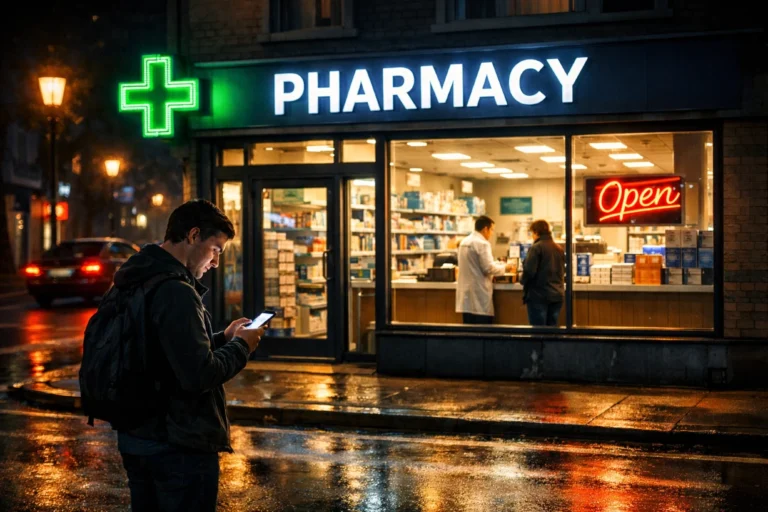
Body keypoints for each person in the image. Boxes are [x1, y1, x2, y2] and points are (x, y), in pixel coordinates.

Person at [113, 199, 264, 512]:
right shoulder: (177, 291)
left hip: (136, 436)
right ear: (193, 236)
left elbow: (163, 352)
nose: (216, 262)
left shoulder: (135, 278)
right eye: (216, 250)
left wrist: (223, 338)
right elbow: (199, 375)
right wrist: (242, 346)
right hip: (178, 444)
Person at [456, 215, 515, 324]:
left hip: (466, 296)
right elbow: (488, 268)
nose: (492, 233)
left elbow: (475, 264)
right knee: (483, 331)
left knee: (468, 330)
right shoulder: (482, 244)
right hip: (479, 294)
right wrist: (506, 267)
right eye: (492, 229)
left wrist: (498, 263)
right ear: (485, 229)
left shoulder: (464, 242)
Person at [521, 219, 565, 326]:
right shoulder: (558, 248)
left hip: (539, 296)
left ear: (536, 232)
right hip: (557, 296)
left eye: (532, 233)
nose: (532, 236)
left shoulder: (536, 248)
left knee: (538, 331)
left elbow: (529, 271)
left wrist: (522, 281)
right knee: (552, 330)